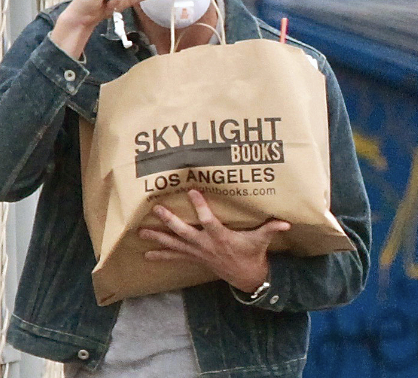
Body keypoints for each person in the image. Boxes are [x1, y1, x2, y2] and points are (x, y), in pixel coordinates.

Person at [0, 0, 371, 377]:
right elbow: (7, 176)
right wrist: (74, 29)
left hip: (242, 366)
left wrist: (257, 274)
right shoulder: (70, 33)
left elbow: (350, 260)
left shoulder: (294, 68)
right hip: (104, 364)